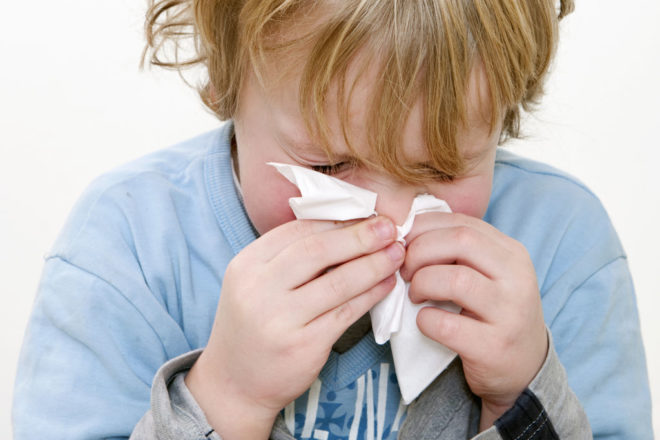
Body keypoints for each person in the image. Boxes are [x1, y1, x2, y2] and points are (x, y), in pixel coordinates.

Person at [12, 0, 652, 439]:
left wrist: (526, 398)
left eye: (441, 170)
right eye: (331, 165)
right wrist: (227, 398)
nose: (390, 219)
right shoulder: (129, 246)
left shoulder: (563, 245)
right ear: (232, 85)